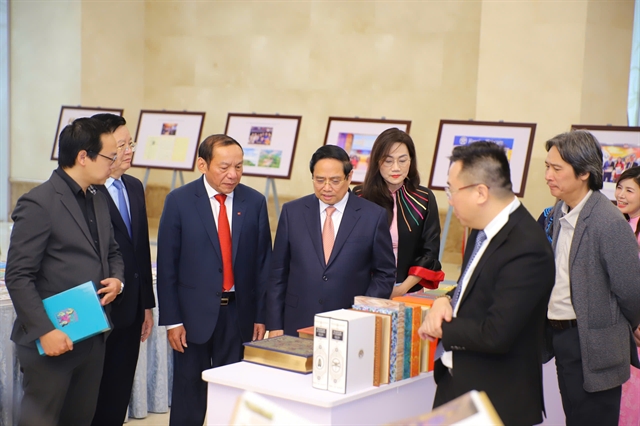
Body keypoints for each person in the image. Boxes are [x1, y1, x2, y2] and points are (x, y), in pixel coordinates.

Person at [418, 141, 555, 426]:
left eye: (452, 191)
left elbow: (497, 333)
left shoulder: (526, 246)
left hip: (495, 400)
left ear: (481, 192)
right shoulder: (482, 230)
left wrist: (441, 327)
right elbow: (472, 286)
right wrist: (445, 300)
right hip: (458, 384)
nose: (450, 201)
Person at [5, 117, 125, 425]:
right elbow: (18, 276)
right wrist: (45, 331)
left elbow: (112, 251)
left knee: (80, 418)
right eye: (109, 157)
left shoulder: (97, 199)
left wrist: (117, 279)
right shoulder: (39, 203)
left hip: (91, 333)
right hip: (52, 338)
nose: (113, 164)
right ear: (83, 156)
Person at [157, 134, 272, 426]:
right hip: (191, 317)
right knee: (189, 395)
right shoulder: (179, 201)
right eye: (224, 167)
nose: (233, 174)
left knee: (233, 394)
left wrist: (262, 316)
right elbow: (167, 266)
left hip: (238, 315)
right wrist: (172, 321)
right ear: (202, 165)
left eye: (239, 166)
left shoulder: (254, 202)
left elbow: (263, 264)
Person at [543, 130, 640, 425]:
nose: (548, 176)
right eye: (547, 167)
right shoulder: (560, 209)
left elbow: (630, 290)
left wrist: (632, 324)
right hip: (561, 337)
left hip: (594, 345)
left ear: (584, 172)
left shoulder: (608, 221)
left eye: (556, 168)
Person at [266, 145, 396, 337]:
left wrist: (362, 310)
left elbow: (385, 273)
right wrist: (275, 324)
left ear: (349, 177)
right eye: (320, 180)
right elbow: (278, 273)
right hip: (297, 321)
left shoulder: (372, 216)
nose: (326, 187)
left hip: (350, 322)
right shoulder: (292, 212)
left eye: (335, 181)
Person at [91, 114, 155, 426]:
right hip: (100, 307)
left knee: (119, 391)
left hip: (132, 309)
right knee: (94, 395)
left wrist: (147, 305)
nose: (129, 151)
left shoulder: (134, 186)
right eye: (121, 145)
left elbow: (141, 250)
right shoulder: (89, 192)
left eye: (131, 143)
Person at [353, 128, 444, 298]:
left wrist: (401, 289)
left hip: (409, 291)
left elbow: (429, 251)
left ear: (411, 161)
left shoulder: (424, 198)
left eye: (402, 160)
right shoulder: (359, 196)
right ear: (376, 162)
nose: (396, 168)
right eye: (388, 161)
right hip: (366, 290)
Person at [614, 166, 640, 426]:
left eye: (629, 190)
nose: (620, 195)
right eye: (619, 187)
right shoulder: (618, 225)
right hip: (620, 328)